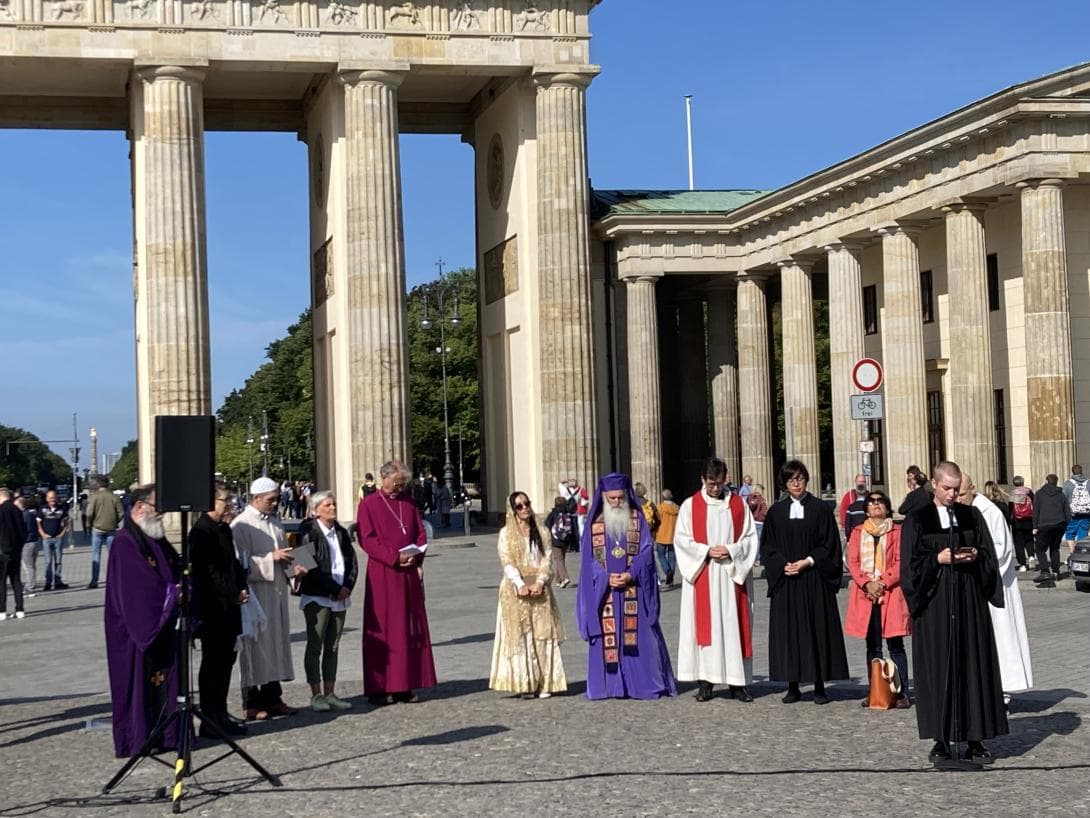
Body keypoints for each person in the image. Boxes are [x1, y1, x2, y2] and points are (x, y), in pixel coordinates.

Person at [900, 461, 1007, 764]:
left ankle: (976, 738)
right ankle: (941, 739)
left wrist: (973, 555)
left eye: (956, 489)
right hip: (934, 606)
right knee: (939, 667)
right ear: (934, 484)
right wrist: (937, 558)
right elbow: (910, 566)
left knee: (973, 665)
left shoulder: (970, 515)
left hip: (969, 604)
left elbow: (988, 554)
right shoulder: (917, 520)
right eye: (947, 488)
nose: (951, 494)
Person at [575, 472, 677, 700]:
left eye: (620, 497)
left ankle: (640, 685)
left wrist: (631, 574)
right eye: (611, 498)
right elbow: (588, 560)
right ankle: (609, 687)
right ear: (603, 497)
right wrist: (605, 577)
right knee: (606, 638)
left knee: (640, 638)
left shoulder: (637, 519)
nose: (616, 502)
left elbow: (645, 553)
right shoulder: (595, 524)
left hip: (634, 591)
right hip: (605, 595)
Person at [760, 459, 849, 705]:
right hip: (787, 581)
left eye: (799, 478)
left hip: (813, 579)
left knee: (816, 630)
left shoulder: (820, 509)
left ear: (806, 479)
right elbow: (767, 546)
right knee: (790, 633)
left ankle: (819, 685)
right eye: (790, 480)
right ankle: (792, 685)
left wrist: (808, 561)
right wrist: (781, 564)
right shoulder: (776, 512)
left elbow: (829, 544)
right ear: (785, 484)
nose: (796, 483)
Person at [103, 484, 182, 757]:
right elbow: (138, 589)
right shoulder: (126, 542)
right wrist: (173, 593)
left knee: (165, 681)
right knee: (138, 686)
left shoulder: (155, 537)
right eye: (156, 508)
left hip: (164, 626)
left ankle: (168, 733)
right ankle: (139, 738)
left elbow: (175, 568)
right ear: (139, 508)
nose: (160, 514)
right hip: (136, 629)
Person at [673, 458, 759, 702]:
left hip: (731, 575)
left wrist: (731, 550)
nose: (715, 488)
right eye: (711, 483)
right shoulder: (690, 506)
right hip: (704, 572)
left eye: (720, 483)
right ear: (703, 479)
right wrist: (706, 552)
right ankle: (705, 682)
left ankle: (737, 683)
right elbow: (682, 540)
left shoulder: (738, 505)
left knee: (734, 627)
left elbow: (750, 539)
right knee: (704, 629)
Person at [356, 460, 437, 706]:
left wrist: (416, 555)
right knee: (384, 628)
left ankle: (405, 684)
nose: (398, 488)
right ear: (384, 478)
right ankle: (379, 687)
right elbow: (366, 539)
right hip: (383, 573)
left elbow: (420, 533)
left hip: (408, 573)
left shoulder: (408, 503)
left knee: (407, 629)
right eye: (395, 484)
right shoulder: (369, 504)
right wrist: (394, 557)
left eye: (401, 484)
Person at [957, 473, 1033, 704]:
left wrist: (975, 560)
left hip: (992, 586)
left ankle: (1002, 692)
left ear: (972, 489)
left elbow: (1002, 550)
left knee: (1000, 637)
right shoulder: (961, 510)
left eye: (961, 493)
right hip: (971, 584)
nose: (957, 498)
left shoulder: (988, 512)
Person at [232, 476, 302, 720]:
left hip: (277, 591)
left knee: (276, 645)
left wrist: (296, 570)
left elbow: (286, 556)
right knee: (255, 646)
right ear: (256, 498)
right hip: (256, 594)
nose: (275, 503)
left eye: (277, 499)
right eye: (271, 500)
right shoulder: (241, 525)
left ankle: (273, 697)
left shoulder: (275, 523)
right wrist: (269, 559)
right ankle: (250, 700)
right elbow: (238, 563)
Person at [489, 491, 567, 698]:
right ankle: (525, 682)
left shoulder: (542, 531)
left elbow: (547, 559)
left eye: (527, 504)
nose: (525, 508)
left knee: (542, 634)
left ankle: (545, 682)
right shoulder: (506, 533)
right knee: (521, 635)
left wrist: (541, 581)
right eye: (519, 506)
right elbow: (506, 560)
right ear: (512, 510)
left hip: (539, 586)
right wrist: (519, 583)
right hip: (516, 588)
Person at [189, 484, 249, 738]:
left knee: (226, 663)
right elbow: (209, 573)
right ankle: (210, 718)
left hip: (230, 607)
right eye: (225, 500)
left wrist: (242, 586)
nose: (229, 505)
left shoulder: (224, 530)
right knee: (212, 665)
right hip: (213, 608)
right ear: (211, 503)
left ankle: (221, 714)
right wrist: (231, 592)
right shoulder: (201, 532)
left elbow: (233, 563)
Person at [844, 491, 911, 708]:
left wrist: (882, 582)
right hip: (866, 595)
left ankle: (901, 692)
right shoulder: (857, 532)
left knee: (895, 644)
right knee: (872, 646)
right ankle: (875, 689)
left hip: (889, 593)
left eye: (879, 501)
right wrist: (867, 583)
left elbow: (901, 561)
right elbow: (852, 561)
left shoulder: (897, 531)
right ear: (866, 509)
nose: (875, 505)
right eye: (871, 502)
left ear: (887, 506)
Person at [297, 490, 357, 712]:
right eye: (327, 505)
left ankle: (330, 692)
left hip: (340, 596)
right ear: (315, 511)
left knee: (333, 645)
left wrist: (347, 587)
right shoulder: (307, 532)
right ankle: (316, 694)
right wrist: (333, 588)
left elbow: (351, 561)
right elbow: (306, 565)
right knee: (316, 644)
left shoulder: (340, 531)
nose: (332, 508)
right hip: (317, 596)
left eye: (333, 504)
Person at [85, 475, 124, 589]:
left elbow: (89, 513)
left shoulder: (94, 497)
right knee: (113, 556)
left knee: (96, 555)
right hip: (111, 529)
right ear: (107, 484)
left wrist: (89, 524)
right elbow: (121, 513)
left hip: (97, 528)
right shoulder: (114, 497)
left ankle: (94, 580)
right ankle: (114, 579)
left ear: (97, 484)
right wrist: (115, 521)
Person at [1033, 473, 1069, 588]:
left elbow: (1036, 512)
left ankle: (1045, 572)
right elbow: (1067, 511)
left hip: (1044, 525)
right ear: (1056, 482)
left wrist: (1035, 526)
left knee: (1040, 549)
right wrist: (1065, 524)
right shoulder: (1061, 495)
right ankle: (1056, 572)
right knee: (1055, 548)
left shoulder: (1039, 494)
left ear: (1047, 481)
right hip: (1059, 524)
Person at [0, 488, 27, 620]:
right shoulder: (16, 510)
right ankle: (20, 609)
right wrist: (19, 546)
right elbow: (23, 530)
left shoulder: (0, 510)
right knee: (16, 580)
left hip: (2, 550)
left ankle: (2, 610)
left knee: (1, 581)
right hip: (16, 550)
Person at [36, 489, 69, 591]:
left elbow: (67, 521)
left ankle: (58, 582)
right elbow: (38, 522)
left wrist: (63, 533)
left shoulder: (62, 508)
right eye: (50, 498)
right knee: (48, 561)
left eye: (54, 497)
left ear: (57, 498)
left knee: (58, 561)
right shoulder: (42, 509)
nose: (52, 500)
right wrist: (42, 534)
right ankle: (48, 583)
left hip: (57, 538)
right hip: (47, 539)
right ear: (47, 498)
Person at [543, 495, 574, 588]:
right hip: (565, 540)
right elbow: (573, 529)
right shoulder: (567, 514)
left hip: (555, 540)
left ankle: (564, 577)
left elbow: (546, 525)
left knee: (559, 560)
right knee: (561, 559)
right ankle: (559, 580)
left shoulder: (553, 514)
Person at [1007, 476, 1035, 572]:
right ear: (1022, 482)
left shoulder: (1012, 493)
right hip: (1029, 519)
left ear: (1014, 483)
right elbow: (1034, 505)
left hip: (1017, 522)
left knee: (1019, 543)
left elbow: (1010, 509)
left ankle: (1022, 564)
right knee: (1029, 539)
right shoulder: (1029, 492)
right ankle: (1031, 555)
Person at [654, 489, 680, 587]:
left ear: (663, 497)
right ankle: (671, 577)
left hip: (661, 535)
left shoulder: (660, 508)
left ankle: (667, 571)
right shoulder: (677, 508)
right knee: (672, 556)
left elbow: (656, 521)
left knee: (661, 555)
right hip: (673, 535)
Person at [1062, 464, 1090, 551]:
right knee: (1083, 533)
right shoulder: (1088, 482)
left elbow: (1063, 499)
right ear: (1082, 472)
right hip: (1086, 513)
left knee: (1070, 533)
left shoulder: (1067, 483)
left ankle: (1072, 552)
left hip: (1072, 513)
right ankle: (1081, 551)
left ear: (1072, 472)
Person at [839, 474, 870, 541]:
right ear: (855, 482)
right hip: (854, 532)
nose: (861, 483)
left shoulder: (870, 495)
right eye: (859, 481)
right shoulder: (848, 496)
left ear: (866, 483)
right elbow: (843, 510)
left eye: (863, 481)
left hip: (868, 532)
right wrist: (845, 528)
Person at [20, 495, 40, 597]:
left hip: (27, 542)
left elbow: (23, 530)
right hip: (35, 541)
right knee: (31, 565)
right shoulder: (32, 514)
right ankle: (30, 586)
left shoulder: (24, 515)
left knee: (28, 566)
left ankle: (30, 588)